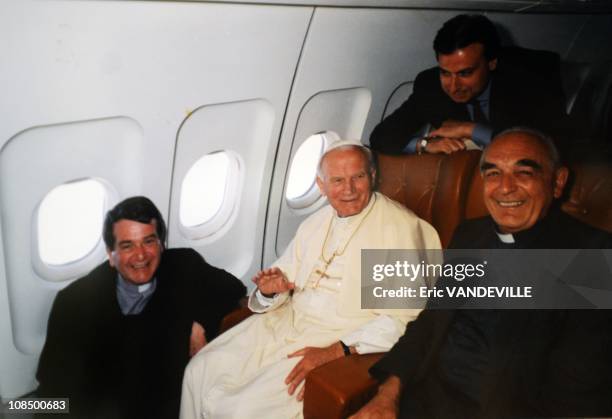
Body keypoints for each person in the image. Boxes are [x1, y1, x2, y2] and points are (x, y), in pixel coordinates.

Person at [351, 128, 612, 418]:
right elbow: (430, 322)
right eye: (492, 174)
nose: (505, 188)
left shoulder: (592, 259)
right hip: (425, 398)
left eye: (524, 173)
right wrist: (387, 396)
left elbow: (576, 392)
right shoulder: (470, 235)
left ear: (557, 181)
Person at [180, 140, 441, 419]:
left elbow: (401, 319)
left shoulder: (397, 229)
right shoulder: (315, 222)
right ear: (321, 185)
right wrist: (270, 290)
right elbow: (283, 277)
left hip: (338, 335)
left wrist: (339, 350)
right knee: (198, 370)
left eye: (358, 177)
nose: (349, 190)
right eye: (338, 180)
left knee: (237, 409)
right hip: (284, 320)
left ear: (373, 177)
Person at [36, 196, 246, 419]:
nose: (140, 255)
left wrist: (197, 323)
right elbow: (51, 393)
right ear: (110, 255)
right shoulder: (74, 304)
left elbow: (234, 289)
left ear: (161, 244)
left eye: (148, 241)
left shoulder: (184, 265)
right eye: (127, 245)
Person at [369, 14, 567, 155]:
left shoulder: (530, 77)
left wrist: (471, 129)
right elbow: (381, 137)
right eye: (445, 73)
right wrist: (424, 145)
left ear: (492, 62)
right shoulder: (429, 85)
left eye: (465, 73)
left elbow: (547, 144)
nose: (454, 86)